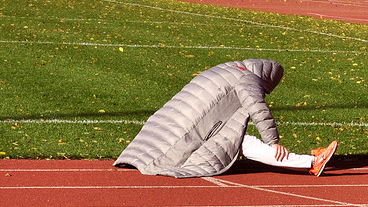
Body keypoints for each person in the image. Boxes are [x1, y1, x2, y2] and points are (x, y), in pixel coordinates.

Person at [114, 59, 337, 178]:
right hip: (200, 125)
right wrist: (273, 141)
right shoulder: (248, 79)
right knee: (238, 141)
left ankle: (136, 156)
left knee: (234, 138)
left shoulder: (227, 68)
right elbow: (257, 107)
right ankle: (311, 162)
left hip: (179, 116)